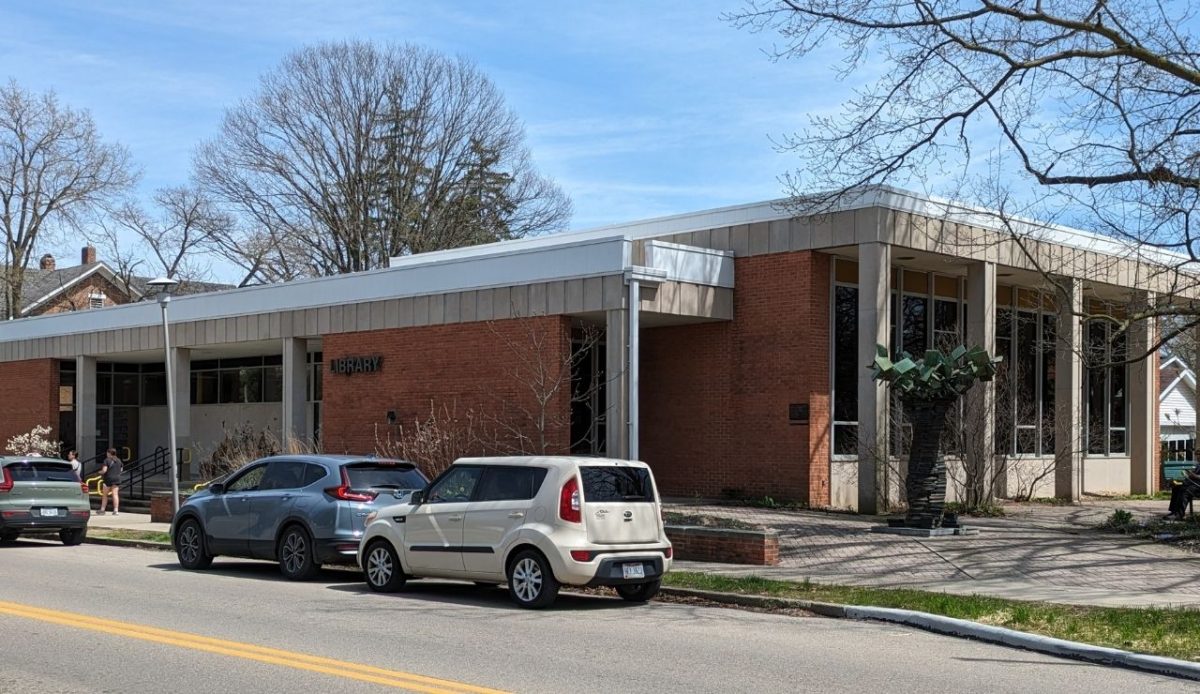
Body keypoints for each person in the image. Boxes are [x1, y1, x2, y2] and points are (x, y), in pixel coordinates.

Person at [98, 448, 123, 516]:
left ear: (109, 453)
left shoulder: (106, 460)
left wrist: (99, 472)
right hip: (117, 478)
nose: (106, 454)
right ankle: (116, 510)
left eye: (107, 453)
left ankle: (102, 510)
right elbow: (121, 470)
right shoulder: (119, 460)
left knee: (105, 495)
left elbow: (104, 470)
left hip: (108, 479)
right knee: (115, 494)